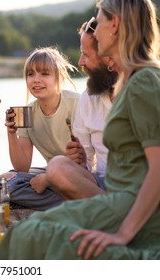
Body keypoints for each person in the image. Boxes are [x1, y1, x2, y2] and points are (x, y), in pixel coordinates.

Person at [0, 0, 160, 259]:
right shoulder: (128, 82)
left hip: (131, 202)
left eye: (99, 19)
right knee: (23, 233)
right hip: (114, 195)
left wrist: (124, 233)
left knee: (29, 238)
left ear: (114, 24)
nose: (97, 26)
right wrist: (83, 162)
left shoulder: (145, 82)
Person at [46, 18, 118, 199]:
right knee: (57, 168)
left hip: (143, 185)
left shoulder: (145, 90)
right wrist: (78, 159)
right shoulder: (89, 97)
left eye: (86, 54)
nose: (80, 62)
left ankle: (111, 213)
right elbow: (84, 163)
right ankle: (112, 209)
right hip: (101, 184)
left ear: (108, 57)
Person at [1, 46, 81, 210]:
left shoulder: (77, 104)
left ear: (59, 78)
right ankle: (68, 200)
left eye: (44, 74)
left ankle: (70, 199)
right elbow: (22, 167)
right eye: (31, 74)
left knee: (14, 188)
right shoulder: (28, 112)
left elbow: (85, 160)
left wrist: (47, 178)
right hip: (51, 171)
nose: (36, 79)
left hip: (81, 172)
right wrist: (11, 133)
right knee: (6, 182)